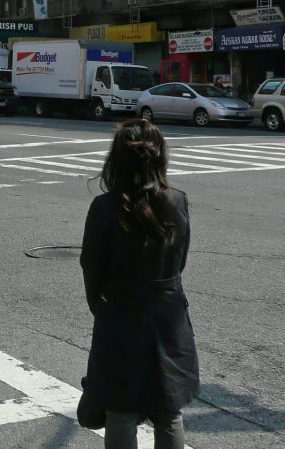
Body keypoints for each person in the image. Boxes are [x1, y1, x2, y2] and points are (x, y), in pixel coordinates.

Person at [80, 119, 198, 449]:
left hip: (119, 311)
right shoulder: (177, 200)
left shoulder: (104, 207)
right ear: (159, 158)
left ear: (116, 160)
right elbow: (181, 260)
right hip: (168, 313)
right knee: (168, 409)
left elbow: (91, 265)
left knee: (120, 409)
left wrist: (100, 307)